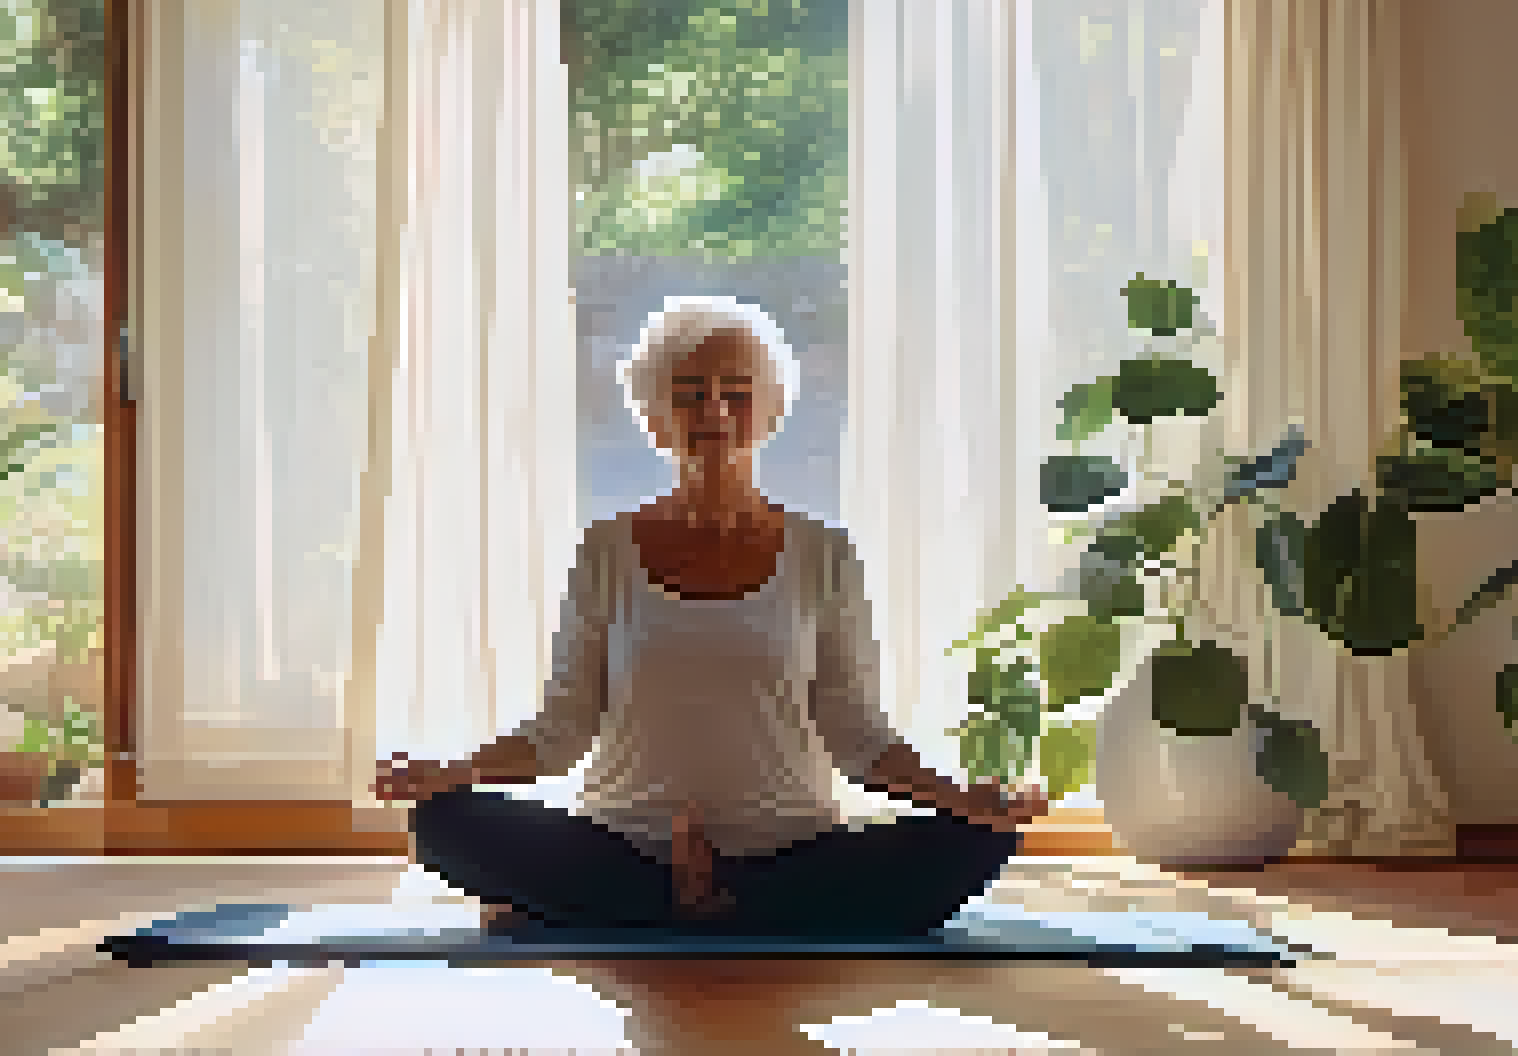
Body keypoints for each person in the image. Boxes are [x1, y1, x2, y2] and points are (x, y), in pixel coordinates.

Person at [372, 296, 1047, 939]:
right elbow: (563, 726)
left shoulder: (824, 554)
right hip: (626, 844)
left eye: (737, 391)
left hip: (791, 848)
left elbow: (855, 732)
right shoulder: (606, 549)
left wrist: (962, 797)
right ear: (655, 417)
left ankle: (671, 905)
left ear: (771, 409)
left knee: (980, 839)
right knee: (440, 824)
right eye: (689, 393)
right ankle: (714, 905)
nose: (715, 410)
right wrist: (448, 774)